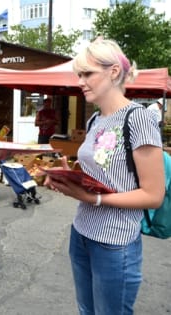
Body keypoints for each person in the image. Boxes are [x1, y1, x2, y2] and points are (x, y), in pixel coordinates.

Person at [44, 38, 164, 314]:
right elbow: (103, 172)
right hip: (81, 233)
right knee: (87, 310)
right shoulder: (95, 120)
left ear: (113, 72)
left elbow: (153, 195)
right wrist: (67, 173)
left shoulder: (138, 119)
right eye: (79, 75)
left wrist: (93, 198)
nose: (81, 81)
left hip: (115, 243)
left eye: (87, 74)